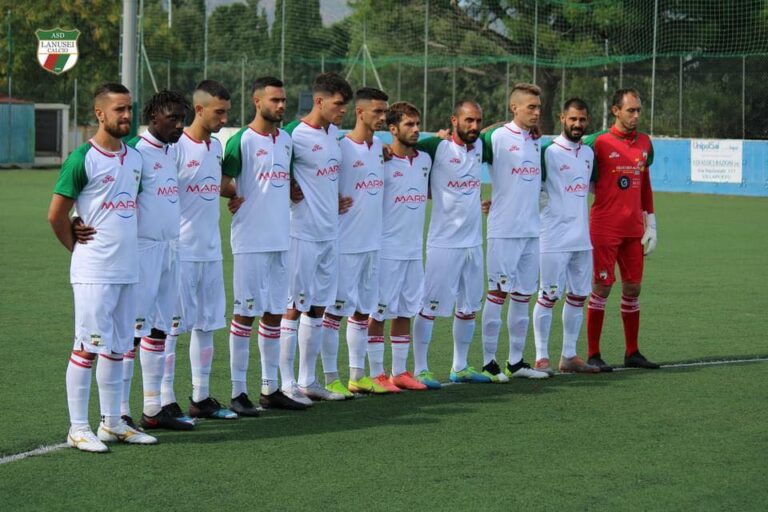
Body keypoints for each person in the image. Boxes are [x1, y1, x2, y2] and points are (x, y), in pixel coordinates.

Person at [48, 82, 157, 452]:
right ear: (100, 114)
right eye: (119, 110)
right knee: (87, 347)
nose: (127, 115)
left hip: (128, 269)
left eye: (129, 109)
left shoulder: (136, 158)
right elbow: (56, 215)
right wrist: (77, 248)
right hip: (94, 271)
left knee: (120, 347)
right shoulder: (82, 157)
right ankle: (78, 428)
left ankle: (113, 423)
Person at [221, 76, 310, 411]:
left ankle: (270, 389)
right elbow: (221, 182)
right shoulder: (240, 141)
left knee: (274, 313)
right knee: (245, 314)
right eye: (274, 100)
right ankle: (238, 392)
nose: (281, 105)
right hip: (250, 241)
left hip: (280, 240)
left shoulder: (285, 141)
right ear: (257, 102)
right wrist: (238, 195)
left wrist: (292, 190)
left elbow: (283, 180)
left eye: (284, 100)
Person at [123, 90, 198, 430]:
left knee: (159, 329)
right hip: (142, 252)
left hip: (170, 250)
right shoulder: (136, 154)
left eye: (183, 120)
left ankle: (153, 409)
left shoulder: (170, 152)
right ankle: (120, 411)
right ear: (153, 117)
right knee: (131, 333)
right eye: (173, 119)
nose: (180, 126)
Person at [167, 79, 239, 419]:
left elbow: (216, 187)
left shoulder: (216, 147)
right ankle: (164, 400)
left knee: (207, 324)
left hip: (211, 252)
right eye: (219, 112)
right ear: (198, 109)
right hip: (180, 253)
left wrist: (234, 195)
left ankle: (202, 397)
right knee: (170, 328)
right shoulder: (175, 146)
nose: (225, 118)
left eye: (227, 112)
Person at [317, 87, 397, 396]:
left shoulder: (379, 147)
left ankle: (357, 375)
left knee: (363, 311)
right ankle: (329, 376)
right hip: (345, 244)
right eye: (376, 112)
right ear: (359, 113)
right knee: (334, 312)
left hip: (372, 244)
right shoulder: (340, 147)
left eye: (384, 112)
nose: (382, 117)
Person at [281, 72, 353, 401]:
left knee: (319, 307)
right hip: (301, 234)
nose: (343, 111)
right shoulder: (293, 135)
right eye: (338, 105)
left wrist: (333, 197)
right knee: (292, 306)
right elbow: (269, 170)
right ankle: (285, 384)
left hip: (330, 234)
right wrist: (287, 188)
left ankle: (309, 381)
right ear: (319, 101)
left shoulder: (334, 134)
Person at [411, 99, 491, 387]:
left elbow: (501, 130)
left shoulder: (481, 145)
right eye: (468, 120)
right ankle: (420, 369)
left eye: (478, 121)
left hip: (473, 243)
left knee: (468, 306)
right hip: (443, 243)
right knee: (429, 307)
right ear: (453, 121)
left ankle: (460, 366)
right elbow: (403, 148)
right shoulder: (437, 147)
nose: (474, 126)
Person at [583, 88, 659, 371]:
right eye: (631, 110)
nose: (636, 115)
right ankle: (593, 354)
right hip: (604, 228)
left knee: (633, 288)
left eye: (639, 110)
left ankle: (632, 352)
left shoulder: (645, 143)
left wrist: (651, 222)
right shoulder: (597, 142)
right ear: (616, 111)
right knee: (601, 288)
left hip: (633, 230)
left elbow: (646, 184)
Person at [478, 83, 550, 381]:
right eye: (530, 107)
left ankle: (517, 362)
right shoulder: (495, 137)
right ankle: (488, 362)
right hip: (504, 231)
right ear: (514, 108)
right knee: (497, 294)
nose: (536, 113)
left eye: (538, 108)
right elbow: (465, 148)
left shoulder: (536, 141)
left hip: (532, 231)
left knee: (522, 296)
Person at [532, 98, 599, 374]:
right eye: (573, 119)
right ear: (562, 118)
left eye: (582, 119)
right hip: (553, 237)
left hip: (582, 238)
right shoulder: (547, 151)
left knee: (578, 296)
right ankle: (541, 356)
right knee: (548, 295)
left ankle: (569, 355)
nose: (577, 124)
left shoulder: (588, 154)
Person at [368, 101, 431, 391]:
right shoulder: (380, 159)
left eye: (417, 124)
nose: (416, 129)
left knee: (406, 310)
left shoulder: (425, 161)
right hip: (386, 251)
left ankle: (400, 372)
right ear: (392, 129)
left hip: (412, 251)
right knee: (378, 313)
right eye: (409, 124)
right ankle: (376, 373)